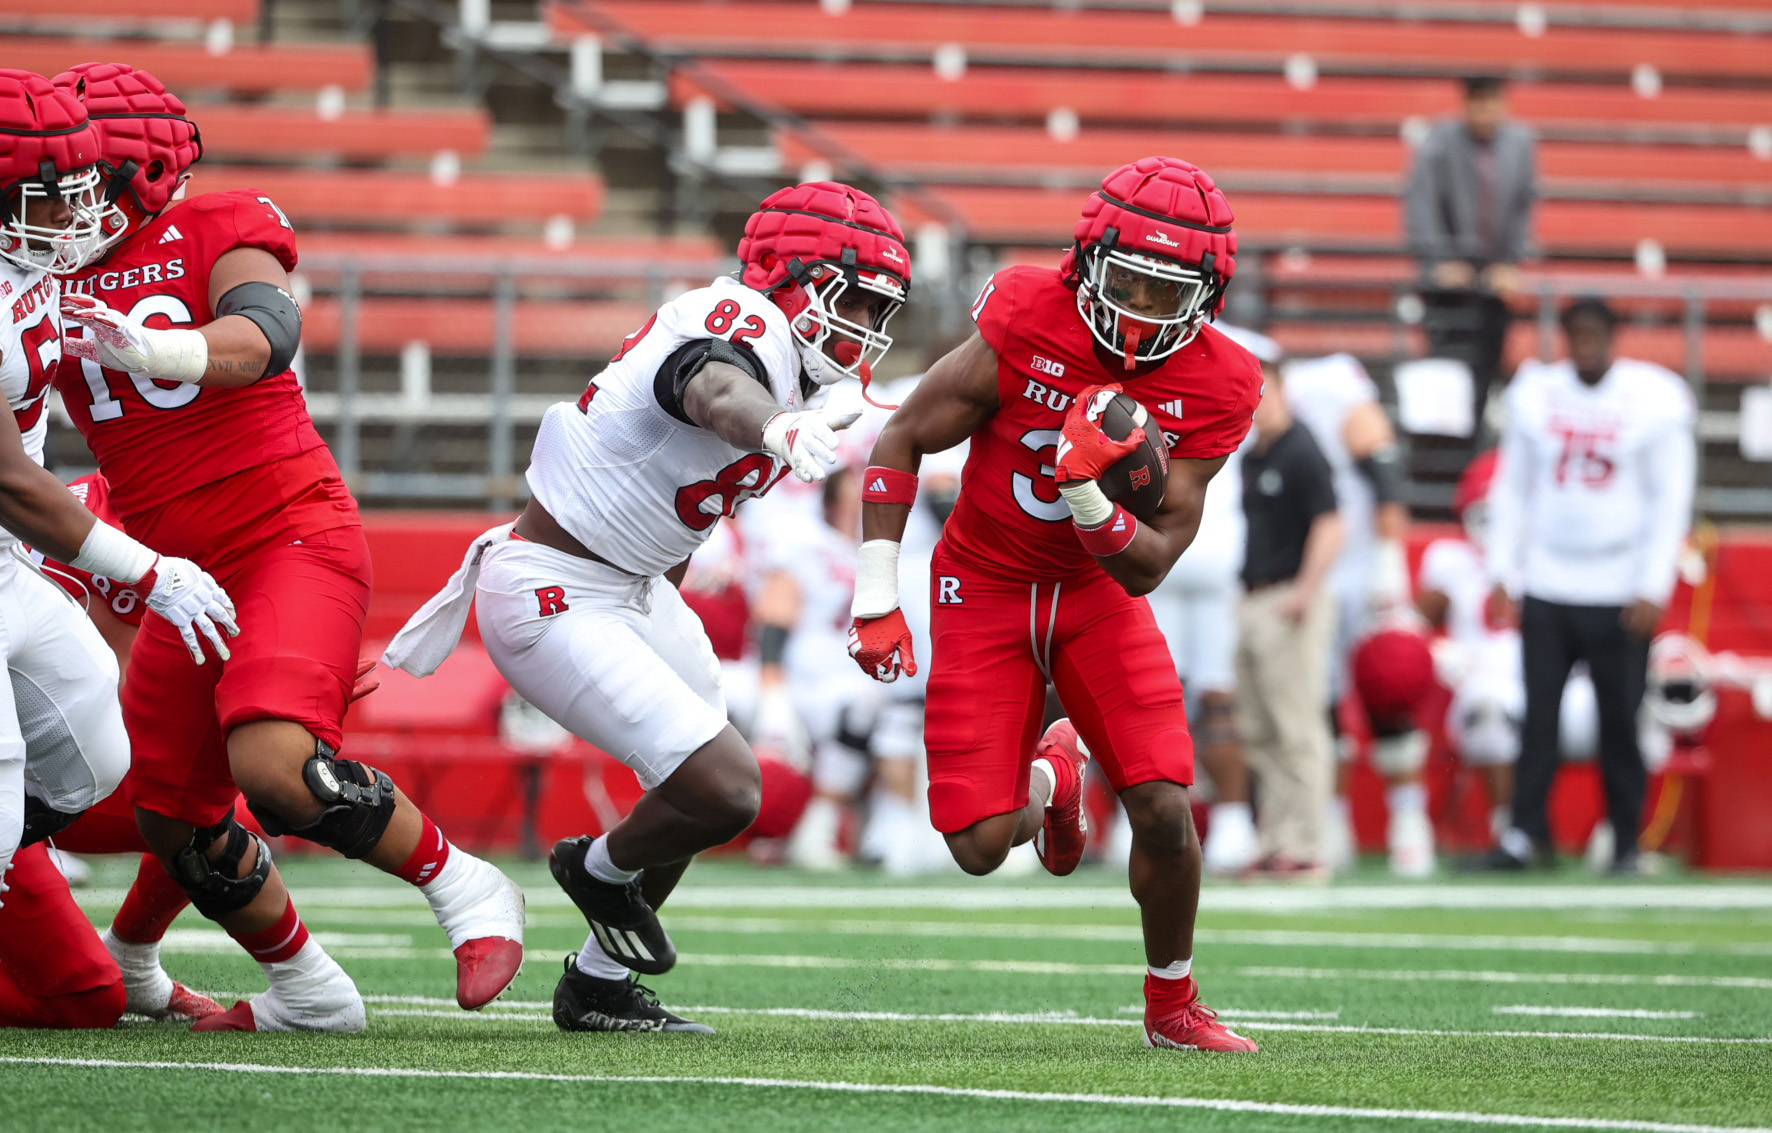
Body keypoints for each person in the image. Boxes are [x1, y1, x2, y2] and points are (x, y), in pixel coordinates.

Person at [50, 62, 525, 1032]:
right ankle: (309, 987)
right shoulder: (36, 281)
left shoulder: (216, 226)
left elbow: (268, 327)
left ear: (136, 171)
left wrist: (163, 349)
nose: (57, 201)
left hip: (284, 533)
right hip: (174, 572)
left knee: (274, 767)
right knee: (172, 814)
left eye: (76, 178)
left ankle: (465, 882)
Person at [385, 180, 911, 1034]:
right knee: (728, 788)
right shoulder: (735, 323)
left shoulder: (801, 368)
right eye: (849, 299)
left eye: (877, 309)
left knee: (693, 786)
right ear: (787, 278)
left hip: (634, 589)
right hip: (557, 588)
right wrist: (776, 427)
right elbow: (711, 387)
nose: (862, 328)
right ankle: (595, 869)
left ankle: (596, 985)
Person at [851, 156, 1261, 1053]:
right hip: (982, 583)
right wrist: (877, 594)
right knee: (978, 841)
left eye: (1168, 293)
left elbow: (1150, 563)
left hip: (1094, 594)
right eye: (1130, 285)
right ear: (1088, 262)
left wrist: (1086, 492)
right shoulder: (1028, 313)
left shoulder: (1219, 382)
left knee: (1161, 801)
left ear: (1208, 295)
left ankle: (1173, 1002)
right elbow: (904, 433)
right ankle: (1053, 776)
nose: (1143, 312)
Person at [0, 68, 238, 907]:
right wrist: (152, 572)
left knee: (95, 750)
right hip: (10, 526)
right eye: (52, 193)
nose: (75, 213)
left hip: (7, 569)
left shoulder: (31, 265)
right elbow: (9, 481)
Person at [1481, 297, 1695, 873]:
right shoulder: (1537, 395)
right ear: (1565, 338)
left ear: (1614, 336)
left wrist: (1655, 581)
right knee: (1538, 716)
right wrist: (1503, 571)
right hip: (1549, 576)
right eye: (1578, 334)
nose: (1587, 344)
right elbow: (1512, 488)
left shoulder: (1653, 399)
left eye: (1596, 333)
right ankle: (1528, 834)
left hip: (1620, 583)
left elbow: (1669, 498)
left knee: (1621, 720)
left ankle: (1626, 840)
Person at [1282, 349, 1428, 875]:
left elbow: (1382, 468)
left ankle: (1409, 824)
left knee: (1389, 691)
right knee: (1319, 705)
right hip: (1305, 567)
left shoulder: (1326, 381)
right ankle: (1332, 821)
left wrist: (1391, 560)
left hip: (1360, 566)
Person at [1416, 451, 1601, 846]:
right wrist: (1437, 649)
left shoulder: (1556, 559)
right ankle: (1512, 829)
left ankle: (1618, 830)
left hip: (1562, 685)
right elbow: (1412, 628)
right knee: (1487, 708)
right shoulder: (1451, 561)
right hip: (1490, 685)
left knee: (1624, 712)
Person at [1143, 323, 1271, 876]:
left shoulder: (1138, 347)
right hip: (1216, 542)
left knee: (1153, 698)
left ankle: (1154, 822)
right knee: (1216, 698)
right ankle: (1234, 822)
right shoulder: (1238, 360)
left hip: (1157, 539)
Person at [1235, 361, 1344, 879]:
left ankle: (1306, 844)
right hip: (1256, 597)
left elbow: (1329, 523)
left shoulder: (1301, 449)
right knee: (1261, 730)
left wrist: (1305, 589)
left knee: (1297, 728)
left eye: (1268, 392)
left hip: (1289, 598)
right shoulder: (1255, 455)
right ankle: (1276, 840)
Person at [1404, 74, 1537, 434]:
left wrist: (1511, 263)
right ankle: (1441, 456)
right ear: (1466, 106)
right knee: (1446, 372)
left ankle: (1473, 449)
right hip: (1448, 283)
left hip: (1494, 281)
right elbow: (1422, 203)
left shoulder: (1520, 144)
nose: (1485, 111)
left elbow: (1524, 207)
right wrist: (1438, 262)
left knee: (1487, 369)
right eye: (1477, 102)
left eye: (1491, 102)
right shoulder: (1441, 142)